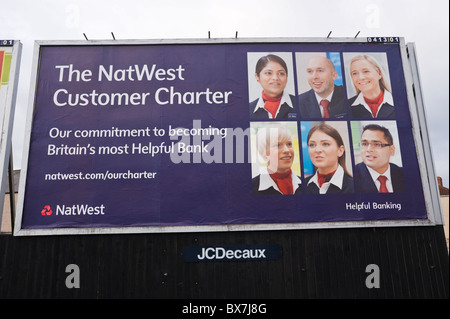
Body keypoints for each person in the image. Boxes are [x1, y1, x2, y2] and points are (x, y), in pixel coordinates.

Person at [304, 123, 354, 194]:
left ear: (340, 150)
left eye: (325, 144)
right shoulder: (302, 186)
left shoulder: (355, 187)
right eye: (312, 145)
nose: (317, 150)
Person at [355, 124, 405, 193]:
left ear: (391, 150)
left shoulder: (405, 175)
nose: (369, 149)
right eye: (364, 144)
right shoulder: (352, 177)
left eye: (376, 144)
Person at [252, 125, 301, 194]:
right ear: (263, 153)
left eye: (289, 144)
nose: (287, 150)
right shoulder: (252, 187)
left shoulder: (305, 184)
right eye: (278, 145)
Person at [249, 54, 297, 120]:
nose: (275, 78)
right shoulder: (248, 109)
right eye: (268, 73)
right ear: (257, 77)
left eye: (281, 73)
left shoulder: (301, 104)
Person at [348, 55, 395, 119]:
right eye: (355, 73)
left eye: (366, 71)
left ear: (379, 74)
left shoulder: (400, 102)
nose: (360, 77)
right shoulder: (346, 107)